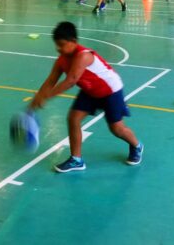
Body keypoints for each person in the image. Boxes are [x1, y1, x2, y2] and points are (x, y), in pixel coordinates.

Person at [29, 21, 143, 172]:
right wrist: (38, 97)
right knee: (73, 118)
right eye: (57, 45)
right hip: (90, 91)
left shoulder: (84, 56)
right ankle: (76, 160)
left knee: (116, 128)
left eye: (62, 44)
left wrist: (46, 97)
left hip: (110, 90)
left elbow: (71, 80)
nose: (58, 48)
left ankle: (137, 146)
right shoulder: (61, 60)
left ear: (73, 41)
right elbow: (51, 80)